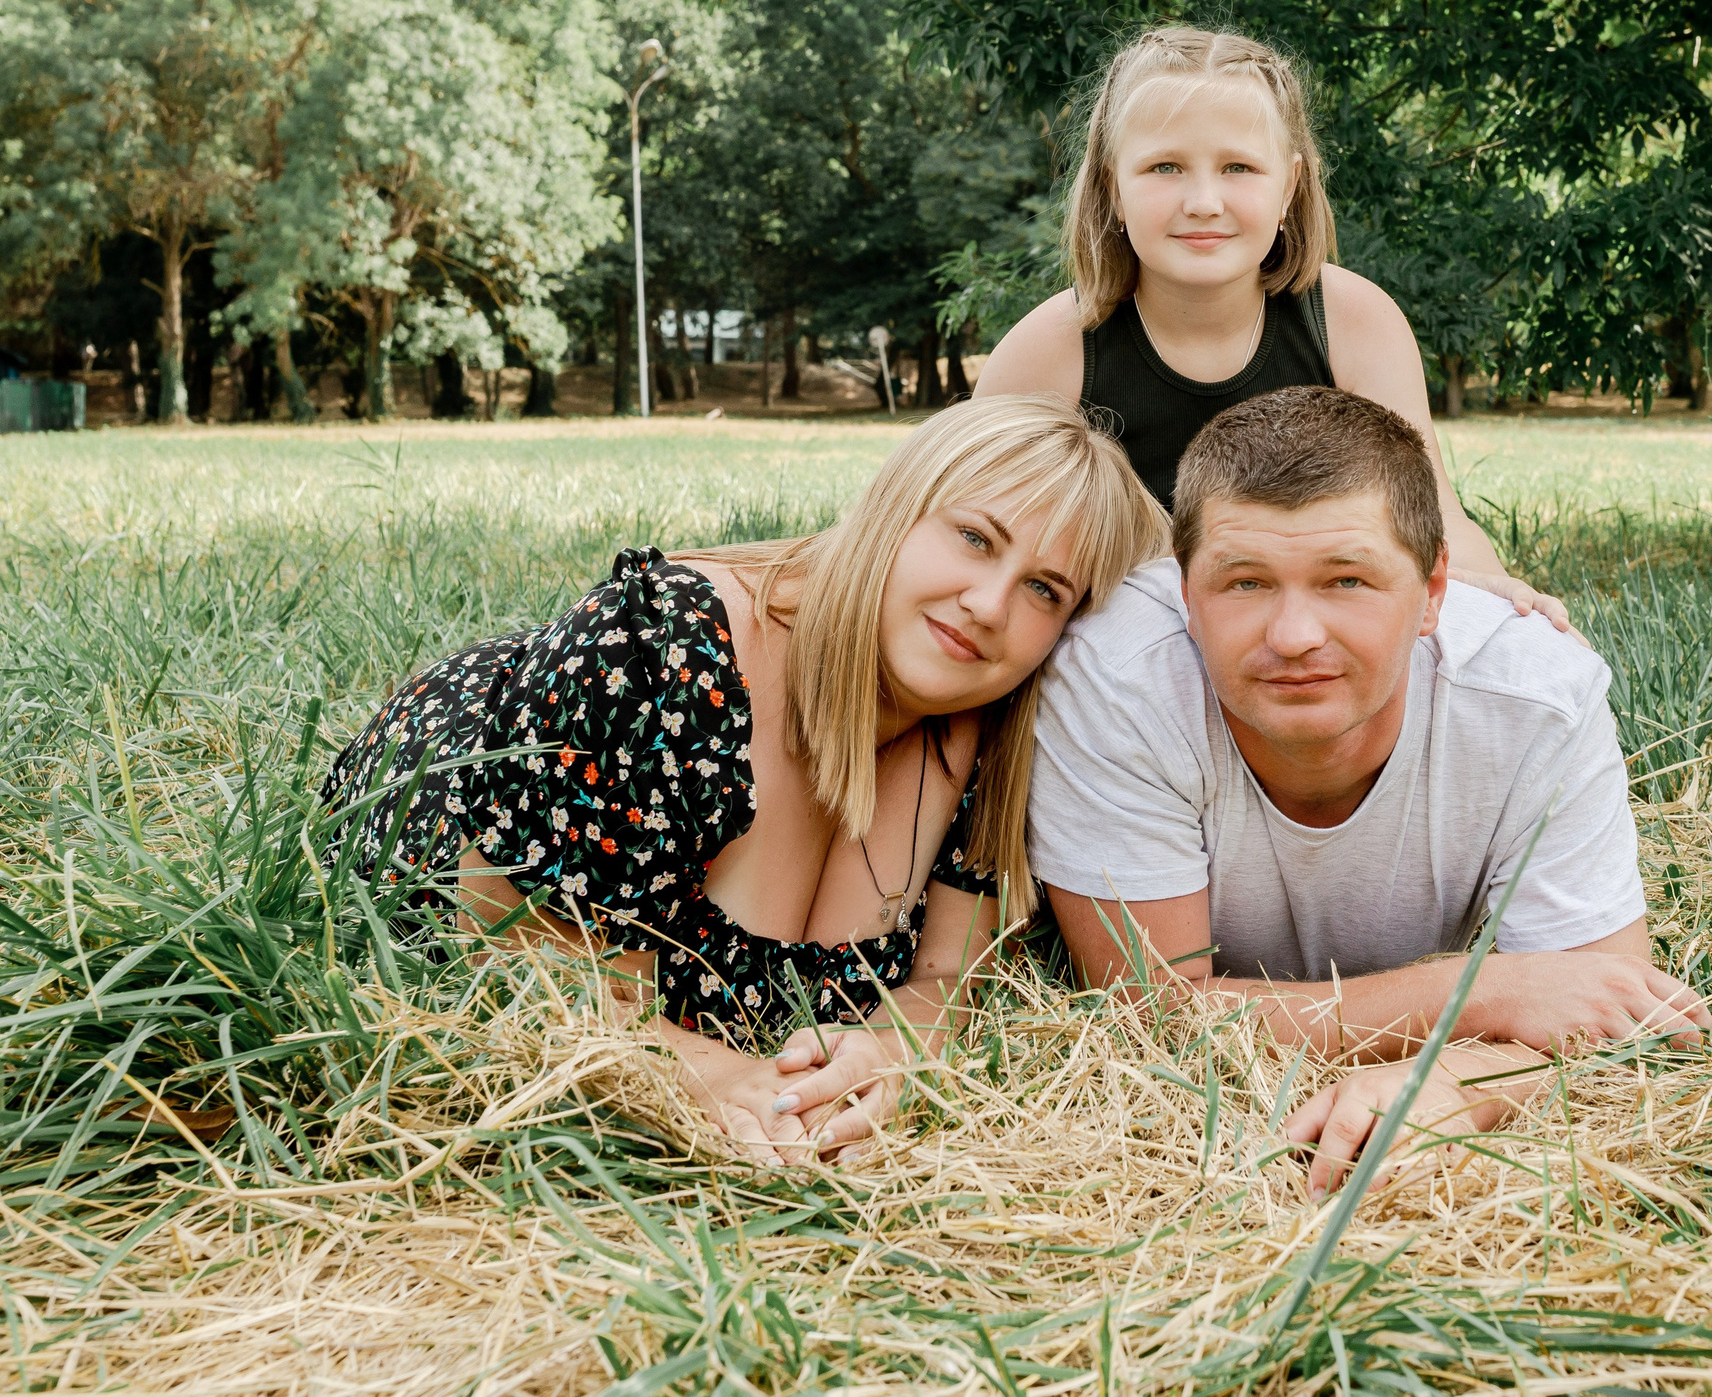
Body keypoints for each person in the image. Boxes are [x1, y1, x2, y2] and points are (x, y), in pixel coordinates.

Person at [325, 395, 1168, 1162]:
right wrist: (709, 1071)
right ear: (896, 514)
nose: (988, 603)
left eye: (1044, 590)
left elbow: (949, 976)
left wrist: (892, 1048)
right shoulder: (664, 650)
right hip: (461, 772)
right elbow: (515, 959)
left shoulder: (996, 727)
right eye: (974, 537)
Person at [1027, 387, 1711, 1197]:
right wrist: (1481, 991)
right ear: (1184, 593)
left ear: (1432, 593)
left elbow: (1611, 1011)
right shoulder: (1119, 678)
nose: (1293, 636)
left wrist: (1455, 1084)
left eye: (1346, 580)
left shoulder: (1536, 697)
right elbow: (1154, 1014)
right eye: (1244, 583)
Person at [973, 24, 1569, 629]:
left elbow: (1430, 514)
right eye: (1164, 167)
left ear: (1289, 184)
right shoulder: (1052, 349)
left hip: (1310, 625)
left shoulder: (1354, 322)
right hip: (1118, 643)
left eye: (1237, 167)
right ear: (1112, 189)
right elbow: (968, 539)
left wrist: (1501, 604)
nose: (1203, 200)